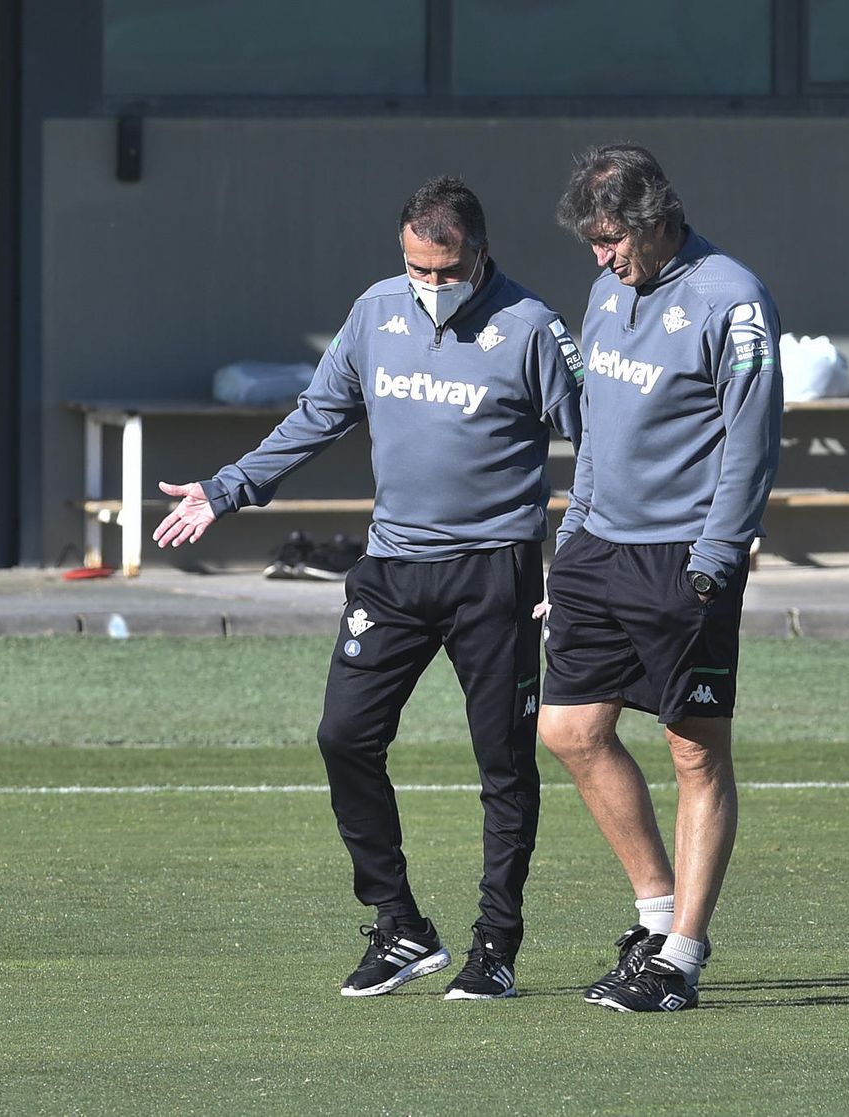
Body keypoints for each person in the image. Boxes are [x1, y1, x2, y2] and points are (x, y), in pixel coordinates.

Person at [152, 176, 584, 1001]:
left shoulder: (531, 327)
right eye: (416, 270)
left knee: (503, 763)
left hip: (495, 571)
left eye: (444, 271)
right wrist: (225, 488)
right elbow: (317, 416)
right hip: (390, 570)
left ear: (480, 255)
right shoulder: (375, 313)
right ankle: (400, 925)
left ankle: (495, 944)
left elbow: (592, 442)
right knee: (343, 737)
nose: (428, 287)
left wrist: (577, 564)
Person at [539, 145, 782, 1012]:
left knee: (694, 751)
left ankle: (679, 955)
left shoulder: (732, 297)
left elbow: (751, 441)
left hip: (685, 555)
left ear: (653, 217)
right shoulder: (608, 292)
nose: (602, 257)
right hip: (597, 549)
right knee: (567, 730)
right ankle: (653, 915)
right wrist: (572, 538)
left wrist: (717, 559)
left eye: (611, 238)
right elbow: (598, 431)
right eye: (593, 243)